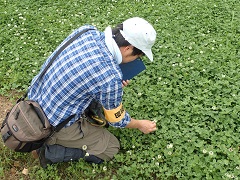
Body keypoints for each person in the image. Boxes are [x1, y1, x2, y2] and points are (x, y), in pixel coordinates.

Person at [29, 17, 157, 168]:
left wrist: (111, 86)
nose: (134, 61)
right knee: (111, 147)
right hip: (51, 123)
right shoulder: (110, 77)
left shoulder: (86, 31)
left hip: (35, 98)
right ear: (128, 48)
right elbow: (117, 120)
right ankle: (48, 150)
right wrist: (140, 124)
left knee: (98, 97)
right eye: (137, 56)